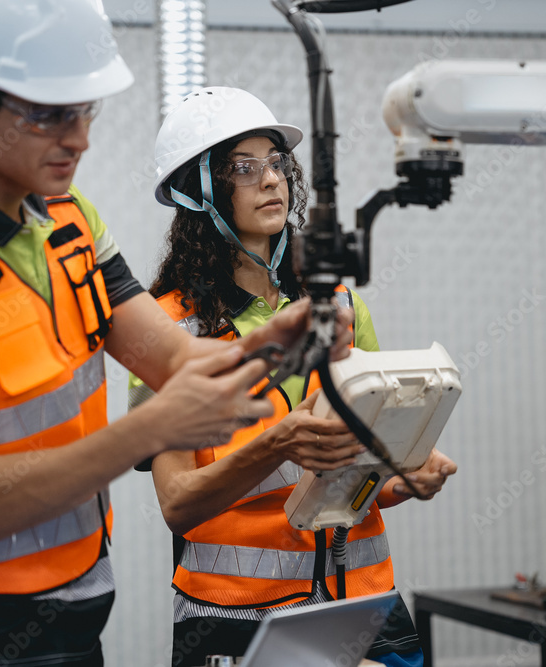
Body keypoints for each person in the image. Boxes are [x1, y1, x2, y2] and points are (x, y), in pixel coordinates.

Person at [0, 5, 349, 666]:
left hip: (74, 621)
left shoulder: (70, 222)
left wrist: (278, 343)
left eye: (85, 110)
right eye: (49, 114)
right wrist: (155, 428)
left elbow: (177, 358)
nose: (79, 138)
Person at [129, 87, 458, 667]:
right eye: (243, 168)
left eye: (277, 164)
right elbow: (177, 504)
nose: (272, 181)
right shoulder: (164, 329)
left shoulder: (342, 309)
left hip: (364, 602)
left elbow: (356, 481)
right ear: (198, 190)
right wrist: (276, 442)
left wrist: (400, 479)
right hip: (235, 615)